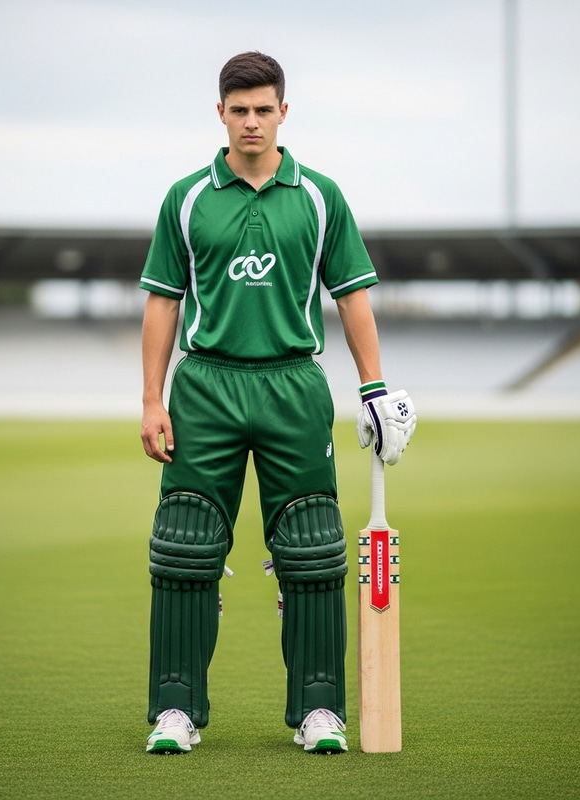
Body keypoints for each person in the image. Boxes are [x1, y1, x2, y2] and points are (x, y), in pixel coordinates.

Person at [139, 51, 416, 755]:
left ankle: (318, 713)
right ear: (221, 113)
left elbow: (352, 295)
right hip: (206, 385)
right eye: (240, 110)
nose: (252, 122)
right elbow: (162, 304)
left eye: (264, 109)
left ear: (284, 113)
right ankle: (177, 712)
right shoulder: (187, 198)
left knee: (312, 551)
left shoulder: (320, 195)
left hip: (294, 383)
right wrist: (151, 398)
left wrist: (375, 388)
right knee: (185, 545)